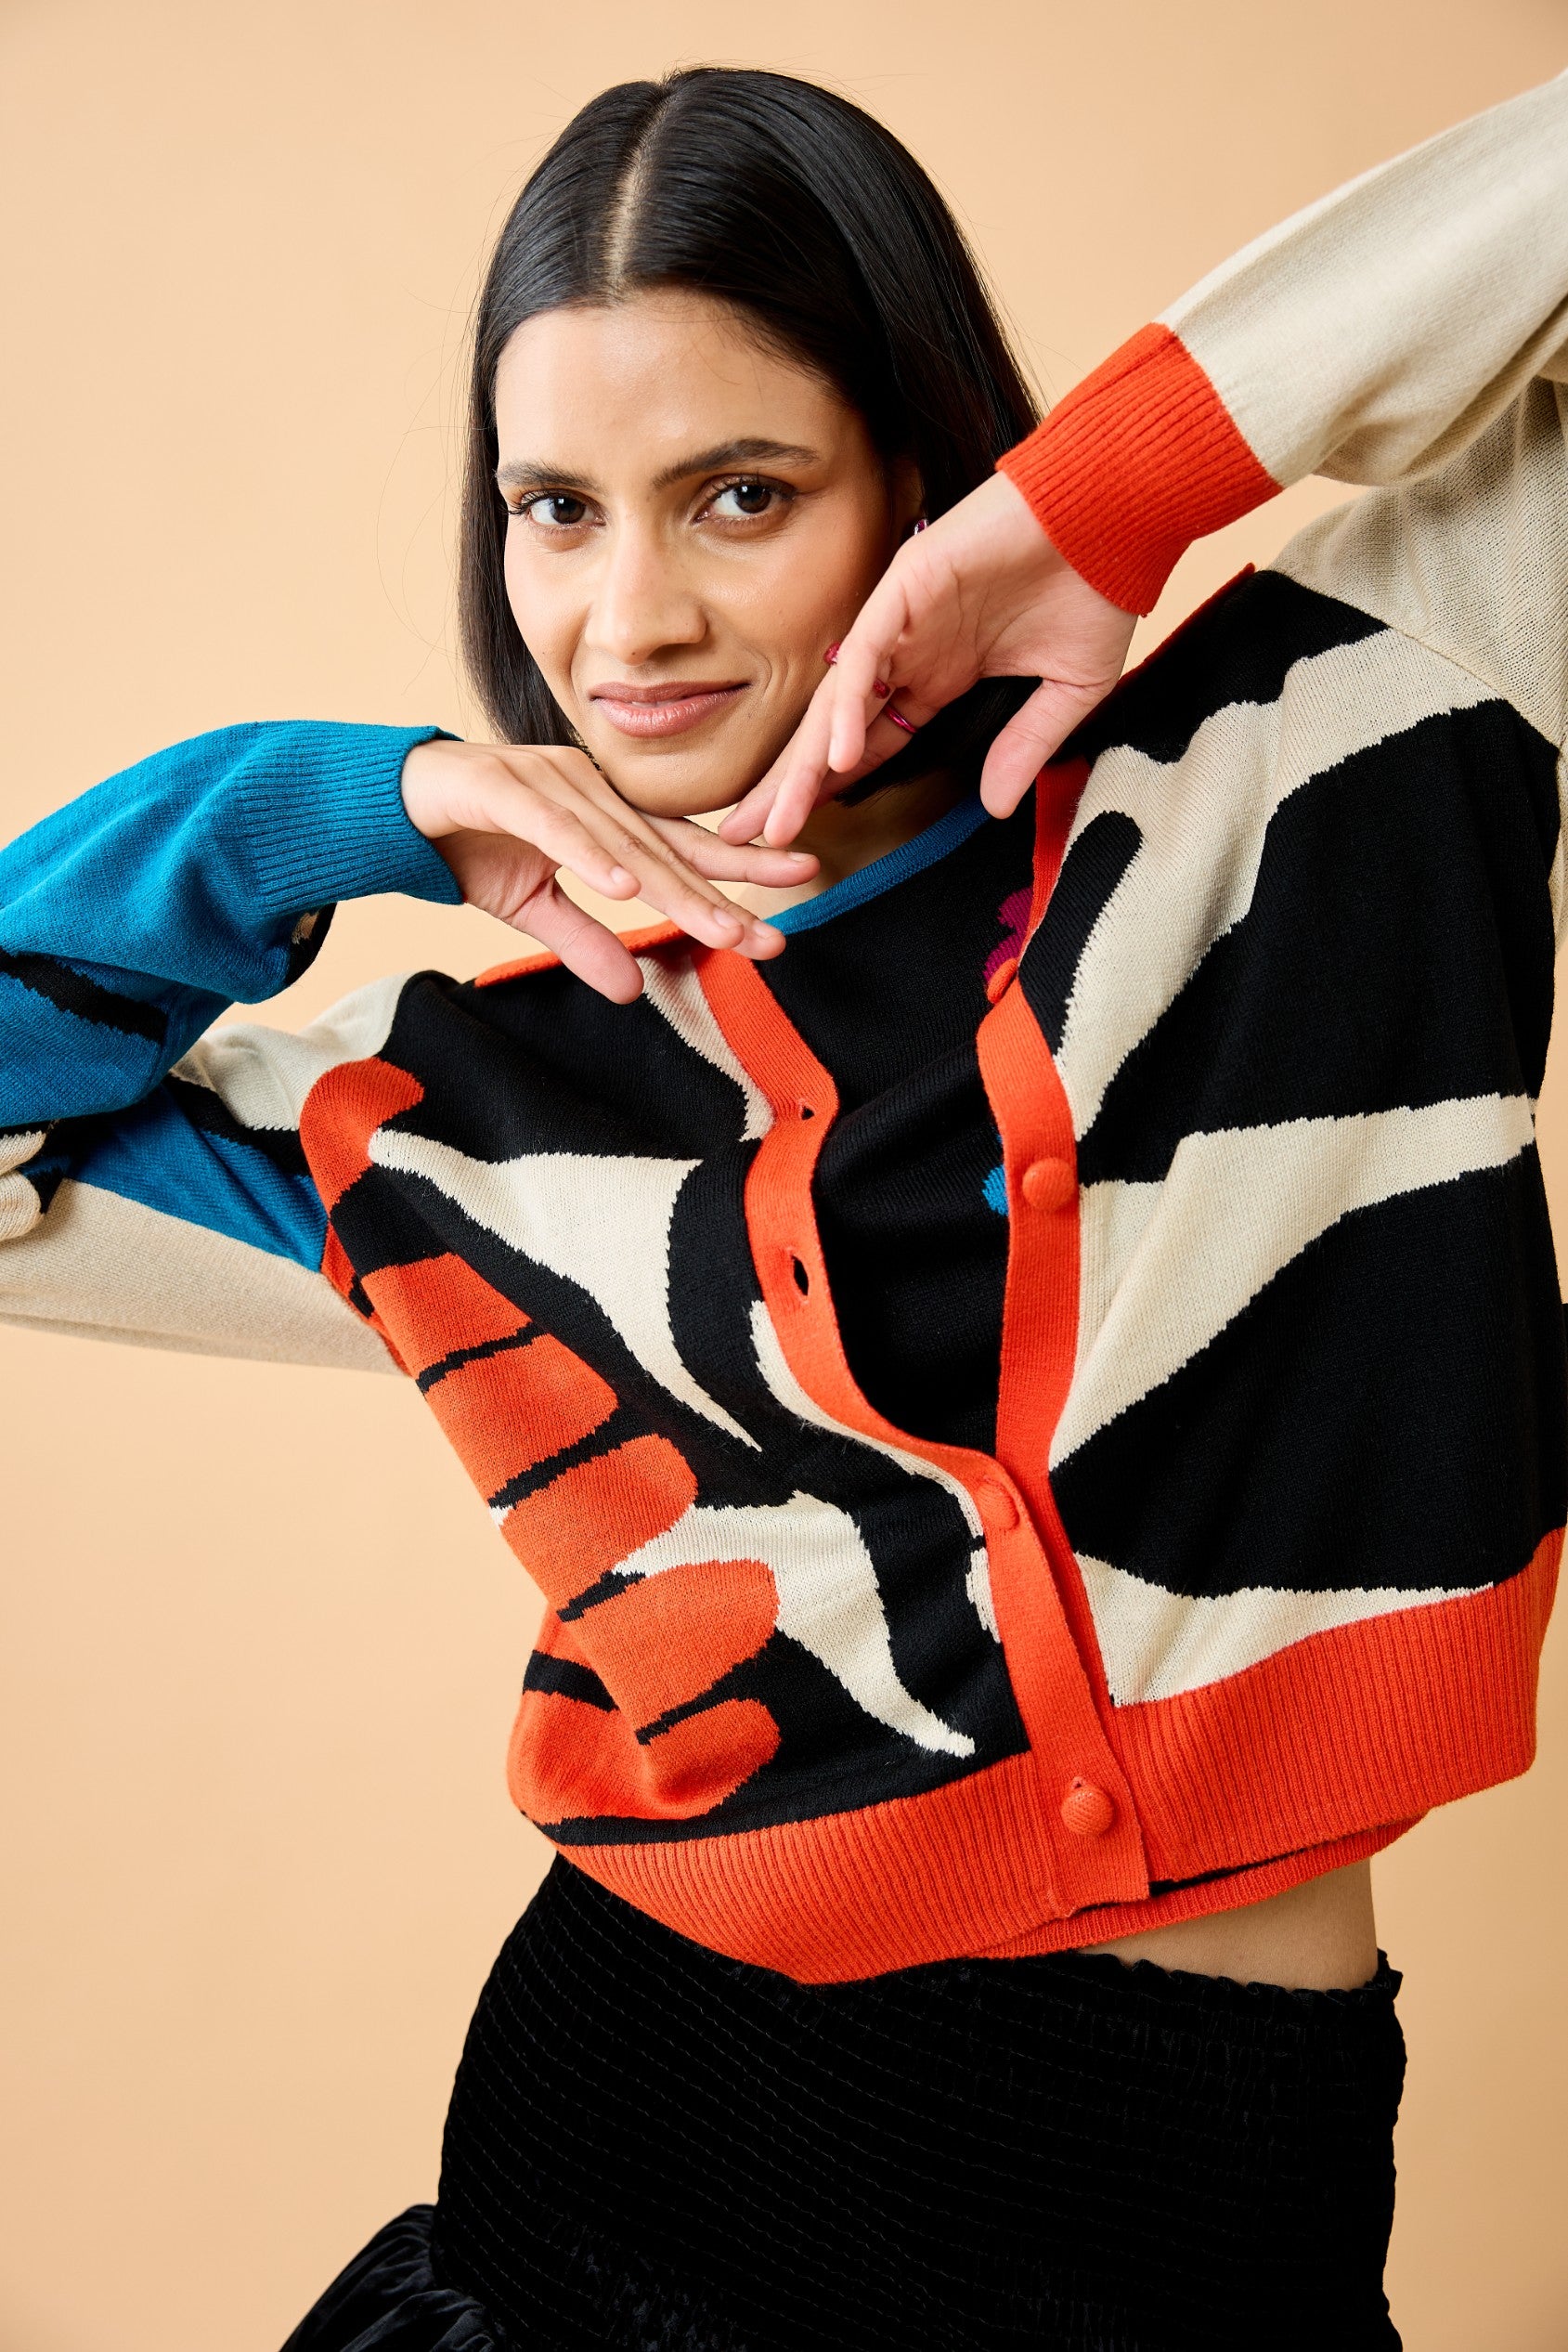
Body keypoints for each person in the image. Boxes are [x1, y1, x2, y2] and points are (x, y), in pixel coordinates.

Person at [2, 58, 1563, 2352]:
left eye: (738, 493)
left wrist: (1094, 502)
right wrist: (339, 809)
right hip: (639, 2220)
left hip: (1236, 2211)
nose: (626, 616)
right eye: (555, 509)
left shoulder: (1332, 747)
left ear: (912, 473)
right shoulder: (449, 1111)